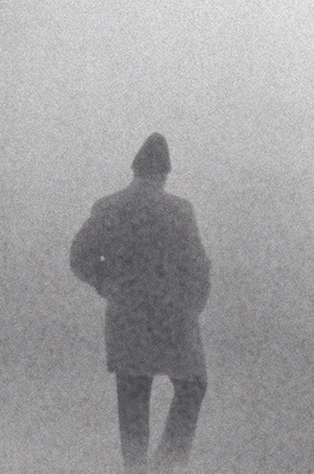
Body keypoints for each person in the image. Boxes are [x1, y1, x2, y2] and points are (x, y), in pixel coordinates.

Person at [70, 133, 211, 473]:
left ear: (135, 169)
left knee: (133, 400)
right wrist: (193, 305)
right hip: (174, 318)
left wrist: (107, 284)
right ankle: (167, 465)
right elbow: (199, 266)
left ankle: (136, 470)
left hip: (127, 317)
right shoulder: (180, 210)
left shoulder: (110, 207)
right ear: (164, 173)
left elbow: (79, 257)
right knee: (192, 385)